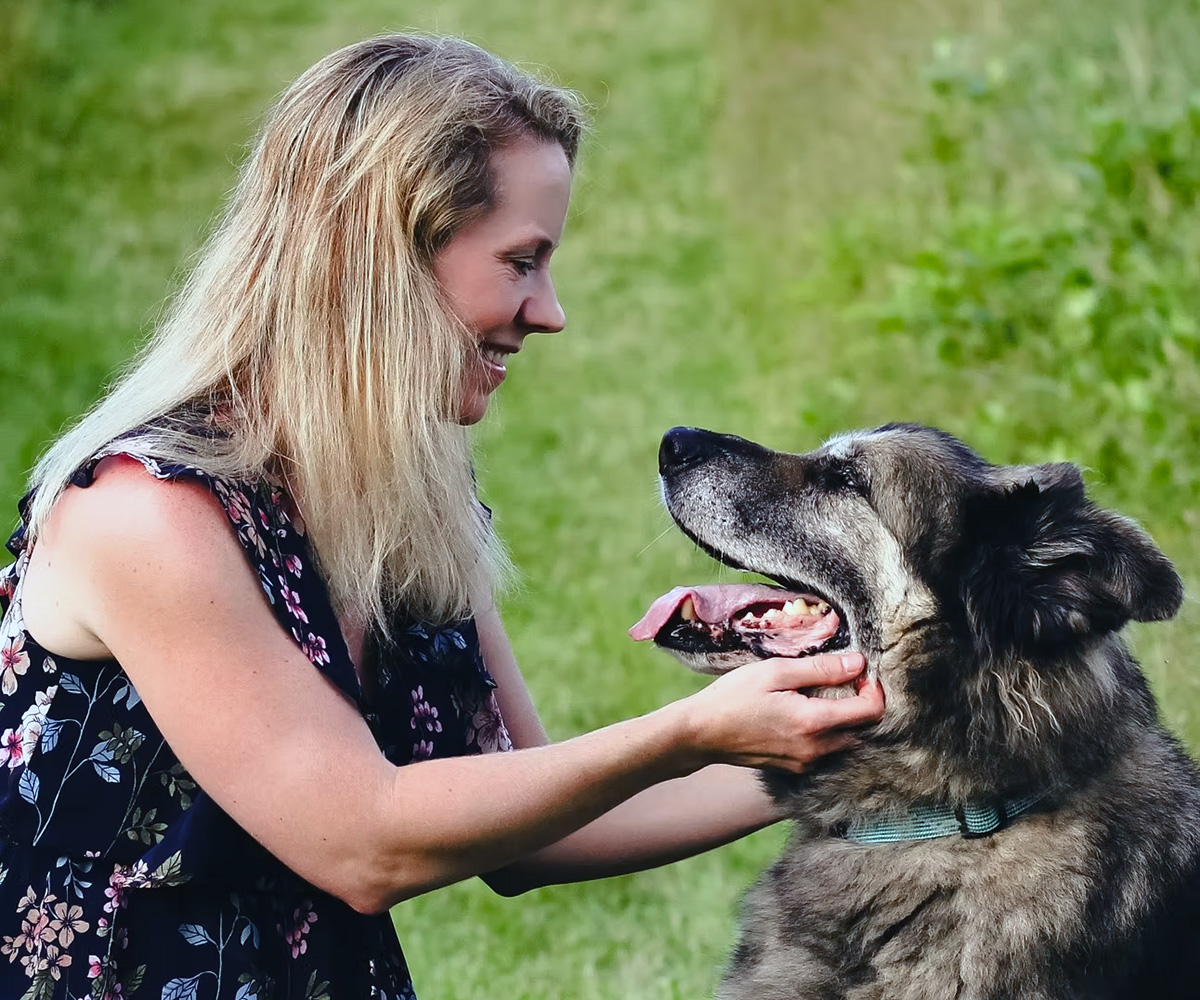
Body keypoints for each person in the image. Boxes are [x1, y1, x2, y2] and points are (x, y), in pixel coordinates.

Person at [0, 33, 885, 999]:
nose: (548, 312)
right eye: (522, 261)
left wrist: (885, 749)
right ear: (386, 254)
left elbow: (536, 819)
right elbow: (364, 841)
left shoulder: (401, 490)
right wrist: (687, 732)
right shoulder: (145, 514)